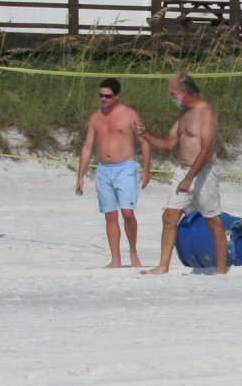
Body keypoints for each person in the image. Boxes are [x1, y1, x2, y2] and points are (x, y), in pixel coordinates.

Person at [134, 73, 228, 275]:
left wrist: (189, 178)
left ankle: (220, 269)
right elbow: (169, 144)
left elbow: (205, 149)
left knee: (213, 221)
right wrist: (144, 135)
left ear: (183, 92)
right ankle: (163, 266)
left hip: (202, 172)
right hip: (183, 169)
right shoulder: (184, 114)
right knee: (169, 216)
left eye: (172, 93)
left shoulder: (205, 111)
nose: (171, 97)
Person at [76, 78, 152, 268]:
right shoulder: (95, 117)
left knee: (127, 213)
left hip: (125, 168)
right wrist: (80, 176)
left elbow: (145, 142)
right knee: (110, 215)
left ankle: (133, 252)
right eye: (101, 95)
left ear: (117, 96)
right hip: (103, 169)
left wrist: (146, 170)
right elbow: (87, 147)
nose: (103, 99)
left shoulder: (129, 114)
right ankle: (115, 259)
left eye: (108, 96)